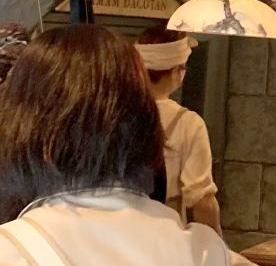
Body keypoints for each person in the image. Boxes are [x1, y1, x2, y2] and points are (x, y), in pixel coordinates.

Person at [0, 24, 251, 265]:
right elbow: (202, 199)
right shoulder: (208, 255)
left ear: (24, 129)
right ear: (146, 126)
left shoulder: (11, 252)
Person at [136, 24, 222, 235]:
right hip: (164, 237)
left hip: (116, 236)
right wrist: (218, 244)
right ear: (176, 72)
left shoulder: (112, 114)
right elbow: (202, 201)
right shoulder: (188, 123)